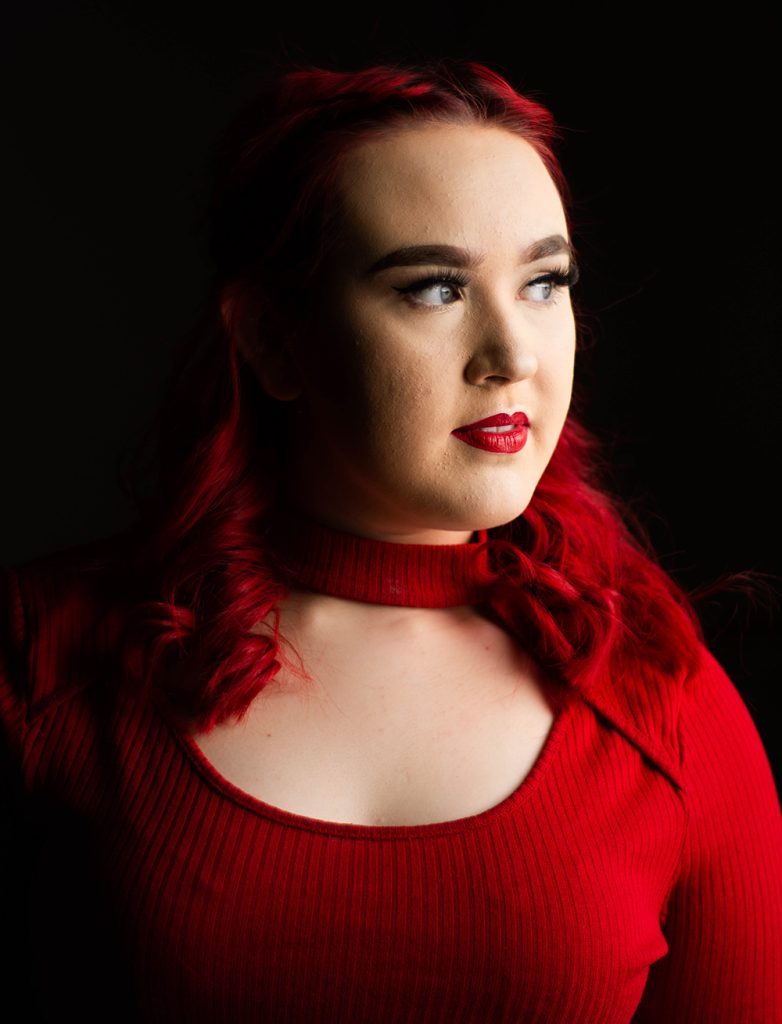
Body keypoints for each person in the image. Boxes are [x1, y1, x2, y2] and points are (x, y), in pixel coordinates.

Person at [1, 58, 780, 1024]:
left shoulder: (663, 703)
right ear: (275, 343)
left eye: (544, 283)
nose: (510, 358)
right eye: (434, 290)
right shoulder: (39, 659)